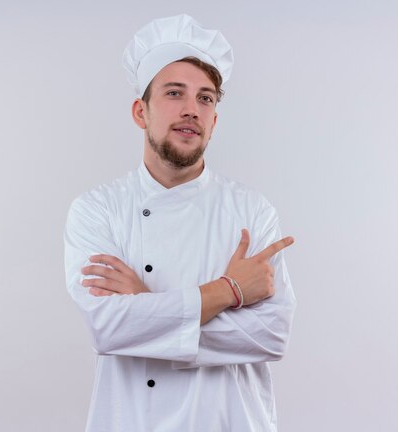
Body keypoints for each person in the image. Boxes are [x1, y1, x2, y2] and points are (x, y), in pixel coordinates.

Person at [64, 14, 296, 432]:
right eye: (175, 93)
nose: (192, 109)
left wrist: (145, 306)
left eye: (206, 99)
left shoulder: (252, 210)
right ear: (141, 111)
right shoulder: (97, 209)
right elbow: (109, 328)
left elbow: (271, 335)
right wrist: (229, 291)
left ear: (215, 121)